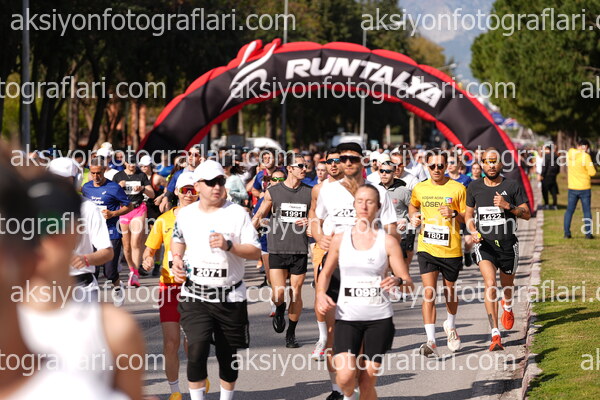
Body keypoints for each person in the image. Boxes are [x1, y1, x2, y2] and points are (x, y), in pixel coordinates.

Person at [19, 174, 145, 400]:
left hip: (84, 290)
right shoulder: (11, 321)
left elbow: (106, 251)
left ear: (74, 232)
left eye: (56, 227)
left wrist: (86, 259)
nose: (45, 237)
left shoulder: (116, 328)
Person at [312, 142, 399, 400]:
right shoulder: (328, 190)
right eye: (342, 158)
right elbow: (316, 217)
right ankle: (338, 389)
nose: (347, 163)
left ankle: (359, 383)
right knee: (333, 333)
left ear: (363, 161)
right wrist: (319, 237)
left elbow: (391, 228)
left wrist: (390, 264)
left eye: (353, 158)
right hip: (336, 268)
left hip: (368, 271)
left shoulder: (378, 192)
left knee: (360, 334)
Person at [170, 160, 261, 400]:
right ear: (197, 186)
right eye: (210, 183)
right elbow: (177, 239)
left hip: (230, 296)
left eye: (220, 181)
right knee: (196, 350)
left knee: (227, 356)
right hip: (195, 295)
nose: (217, 187)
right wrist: (176, 259)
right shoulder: (186, 214)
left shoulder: (237, 213)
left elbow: (255, 251)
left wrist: (230, 246)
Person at [316, 185, 413, 400]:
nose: (364, 206)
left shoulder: (388, 242)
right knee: (345, 378)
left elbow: (408, 282)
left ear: (378, 207)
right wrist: (321, 294)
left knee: (367, 382)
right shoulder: (340, 239)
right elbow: (325, 273)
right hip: (347, 318)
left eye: (370, 202)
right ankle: (349, 396)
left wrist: (397, 280)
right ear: (354, 205)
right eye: (360, 201)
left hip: (378, 319)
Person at [465, 147, 531, 351]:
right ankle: (495, 334)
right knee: (490, 283)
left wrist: (508, 206)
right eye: (487, 161)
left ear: (501, 163)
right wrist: (472, 230)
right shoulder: (474, 187)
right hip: (485, 244)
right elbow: (468, 216)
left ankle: (507, 305)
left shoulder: (512, 185)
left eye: (495, 161)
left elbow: (527, 214)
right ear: (482, 164)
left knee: (507, 285)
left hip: (508, 244)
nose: (491, 165)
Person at [143, 172, 199, 400]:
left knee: (194, 341)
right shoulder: (163, 220)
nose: (189, 194)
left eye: (193, 190)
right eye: (184, 190)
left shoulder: (206, 218)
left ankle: (197, 379)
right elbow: (150, 250)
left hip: (197, 286)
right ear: (176, 191)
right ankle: (175, 391)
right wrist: (147, 259)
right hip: (169, 286)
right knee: (170, 342)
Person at [409, 148, 466, 357]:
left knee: (449, 291)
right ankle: (431, 340)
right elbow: (412, 206)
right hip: (427, 247)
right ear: (426, 166)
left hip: (451, 248)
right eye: (432, 166)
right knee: (429, 292)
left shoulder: (458, 188)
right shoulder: (420, 188)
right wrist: (414, 217)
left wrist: (454, 213)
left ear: (446, 166)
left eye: (440, 166)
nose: (436, 169)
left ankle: (450, 325)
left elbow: (468, 217)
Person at [252, 153, 312, 348]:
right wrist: (248, 232)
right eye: (300, 166)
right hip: (277, 248)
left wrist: (311, 221)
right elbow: (260, 215)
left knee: (296, 292)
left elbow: (318, 217)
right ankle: (279, 308)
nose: (304, 169)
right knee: (278, 294)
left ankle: (291, 334)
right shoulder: (273, 191)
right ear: (290, 168)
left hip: (299, 250)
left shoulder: (310, 192)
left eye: (306, 166)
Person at [48, 157, 114, 303]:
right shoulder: (36, 207)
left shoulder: (88, 208)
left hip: (81, 287)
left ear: (76, 180)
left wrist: (86, 259)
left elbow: (107, 252)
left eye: (65, 180)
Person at [308, 149, 344, 363]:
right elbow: (313, 215)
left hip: (350, 248)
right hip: (325, 247)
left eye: (337, 161)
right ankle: (323, 338)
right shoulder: (319, 189)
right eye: (329, 161)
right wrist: (319, 236)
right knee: (321, 291)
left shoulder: (354, 187)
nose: (333, 165)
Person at [82, 158, 132, 299]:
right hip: (92, 233)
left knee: (109, 272)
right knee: (93, 269)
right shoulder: (86, 188)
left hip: (111, 232)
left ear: (104, 170)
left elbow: (129, 206)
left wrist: (113, 214)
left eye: (98, 173)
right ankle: (92, 300)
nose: (96, 176)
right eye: (93, 173)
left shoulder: (114, 188)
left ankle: (117, 287)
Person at [114, 154, 155, 287]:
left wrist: (143, 188)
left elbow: (152, 194)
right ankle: (132, 269)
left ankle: (135, 274)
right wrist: (118, 187)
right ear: (125, 163)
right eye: (130, 163)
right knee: (126, 246)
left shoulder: (141, 175)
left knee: (136, 242)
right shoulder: (118, 176)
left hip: (138, 209)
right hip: (124, 210)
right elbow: (112, 195)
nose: (132, 165)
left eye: (134, 163)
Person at [377, 154, 414, 266]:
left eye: (388, 171)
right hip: (381, 236)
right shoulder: (375, 190)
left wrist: (406, 220)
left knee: (398, 270)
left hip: (400, 237)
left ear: (394, 173)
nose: (384, 174)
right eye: (382, 171)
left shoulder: (403, 191)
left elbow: (416, 209)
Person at [564, 139, 597, 239]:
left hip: (572, 187)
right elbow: (592, 172)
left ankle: (567, 233)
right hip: (584, 187)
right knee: (586, 211)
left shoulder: (569, 154)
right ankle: (588, 234)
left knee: (569, 210)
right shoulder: (586, 157)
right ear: (585, 146)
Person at [161, 145, 204, 212]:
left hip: (199, 210)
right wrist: (165, 199)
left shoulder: (204, 175)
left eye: (195, 155)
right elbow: (170, 191)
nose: (191, 156)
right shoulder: (179, 174)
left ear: (200, 158)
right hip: (181, 209)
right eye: (189, 153)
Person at [540, 144, 560, 210]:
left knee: (545, 191)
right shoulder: (557, 157)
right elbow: (558, 168)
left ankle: (546, 205)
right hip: (553, 176)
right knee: (553, 191)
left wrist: (542, 175)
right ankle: (555, 205)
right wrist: (555, 174)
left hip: (546, 176)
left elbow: (544, 166)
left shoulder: (547, 156)